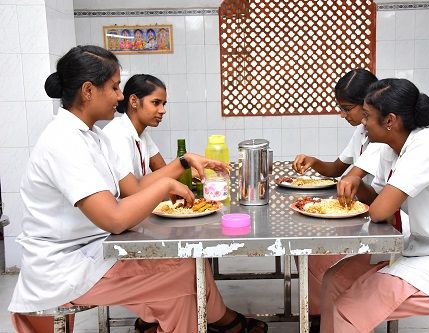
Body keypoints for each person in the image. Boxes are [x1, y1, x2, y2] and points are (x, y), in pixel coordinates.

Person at [8, 45, 267, 333]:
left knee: (183, 273)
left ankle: (187, 322)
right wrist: (166, 185)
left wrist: (182, 162)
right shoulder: (63, 142)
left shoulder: (93, 136)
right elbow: (114, 218)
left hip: (94, 251)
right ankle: (216, 322)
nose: (120, 96)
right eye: (115, 87)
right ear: (88, 91)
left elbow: (133, 187)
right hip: (65, 266)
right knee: (183, 271)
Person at [320, 78, 429, 333]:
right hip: (422, 251)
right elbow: (379, 202)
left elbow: (380, 211)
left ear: (390, 121)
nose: (362, 122)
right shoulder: (390, 148)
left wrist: (358, 178)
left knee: (349, 309)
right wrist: (356, 184)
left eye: (368, 116)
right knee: (335, 280)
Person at [290, 68, 381, 330]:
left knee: (313, 248)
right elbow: (336, 171)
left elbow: (359, 184)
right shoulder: (361, 133)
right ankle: (320, 311)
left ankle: (326, 312)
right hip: (364, 208)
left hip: (377, 219)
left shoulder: (382, 137)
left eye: (346, 108)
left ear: (368, 106)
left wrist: (351, 182)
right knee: (303, 243)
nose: (342, 114)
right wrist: (313, 161)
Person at [103, 74, 168, 178]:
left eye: (163, 104)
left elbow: (163, 170)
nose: (163, 110)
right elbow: (131, 190)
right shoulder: (117, 134)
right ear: (134, 101)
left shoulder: (141, 134)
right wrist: (183, 162)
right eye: (156, 103)